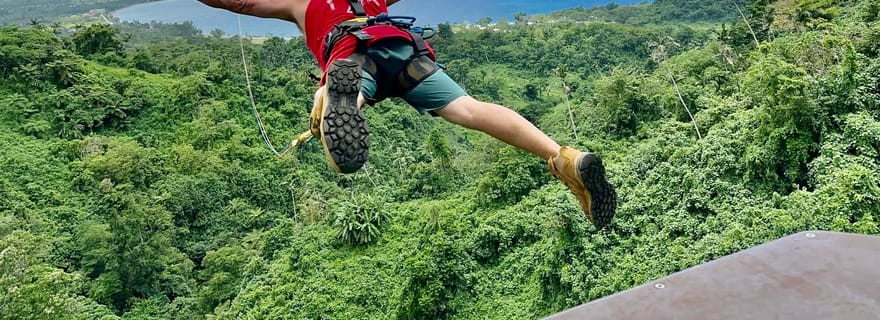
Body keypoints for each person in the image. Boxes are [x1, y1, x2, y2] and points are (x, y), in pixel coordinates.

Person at [197, 0, 617, 227]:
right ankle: (564, 157)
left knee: (347, 90)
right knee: (470, 109)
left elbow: (239, 2)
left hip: (352, 49)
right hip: (404, 48)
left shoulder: (302, 2)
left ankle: (337, 97)